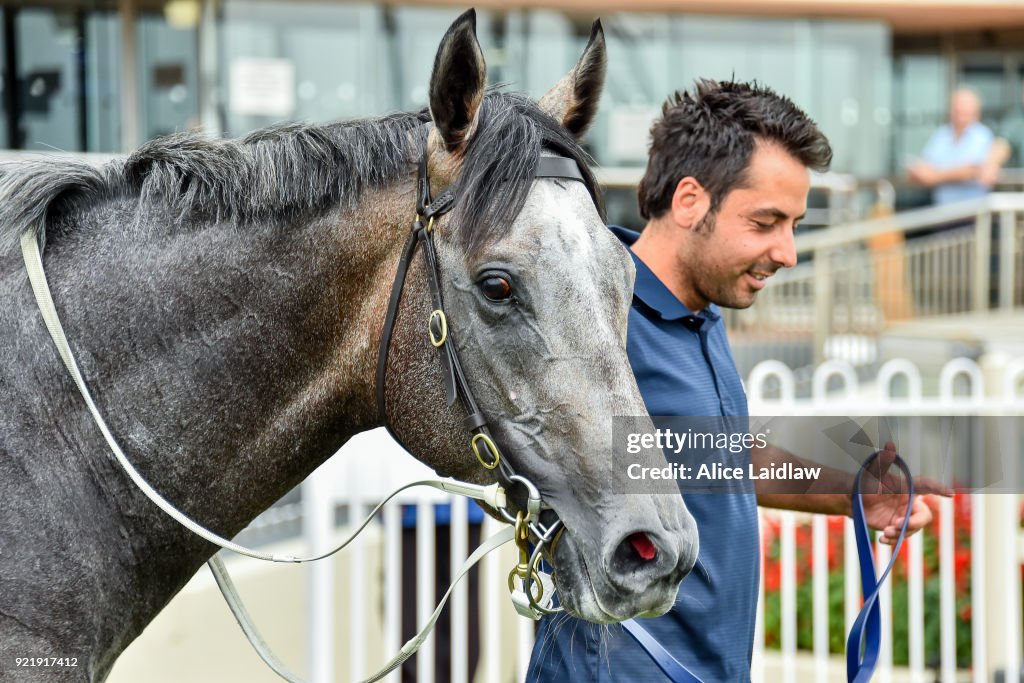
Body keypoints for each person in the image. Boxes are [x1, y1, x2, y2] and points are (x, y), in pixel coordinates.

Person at [527, 79, 945, 682]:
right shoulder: (592, 319)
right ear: (690, 200)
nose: (787, 252)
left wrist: (856, 492)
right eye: (766, 222)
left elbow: (720, 458)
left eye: (794, 224)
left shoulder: (703, 314)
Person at [907, 87, 1009, 204]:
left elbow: (973, 169)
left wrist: (934, 177)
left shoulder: (982, 135)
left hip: (973, 213)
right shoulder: (942, 134)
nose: (960, 113)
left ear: (976, 112)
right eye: (957, 109)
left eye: (964, 109)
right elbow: (921, 168)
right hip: (943, 212)